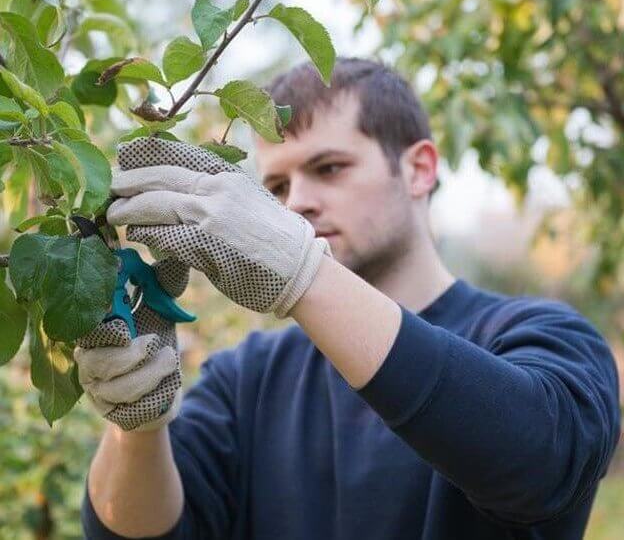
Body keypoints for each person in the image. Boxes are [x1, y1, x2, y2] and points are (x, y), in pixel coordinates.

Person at [76, 58, 620, 540]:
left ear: (419, 168)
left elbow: (541, 465)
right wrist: (137, 425)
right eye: (278, 189)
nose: (300, 203)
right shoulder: (246, 379)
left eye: (328, 168)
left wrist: (303, 273)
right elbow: (139, 531)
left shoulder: (544, 336)